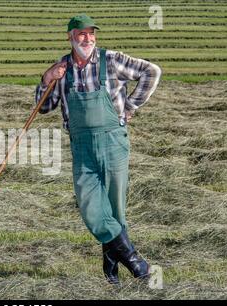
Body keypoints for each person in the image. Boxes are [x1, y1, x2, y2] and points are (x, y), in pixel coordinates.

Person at [35, 14, 161, 284]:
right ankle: (137, 263)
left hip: (114, 141)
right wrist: (46, 78)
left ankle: (111, 265)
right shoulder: (62, 68)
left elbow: (152, 71)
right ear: (70, 37)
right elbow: (44, 108)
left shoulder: (111, 59)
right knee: (91, 207)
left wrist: (130, 107)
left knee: (115, 209)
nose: (87, 38)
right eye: (81, 34)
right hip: (82, 147)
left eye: (91, 33)